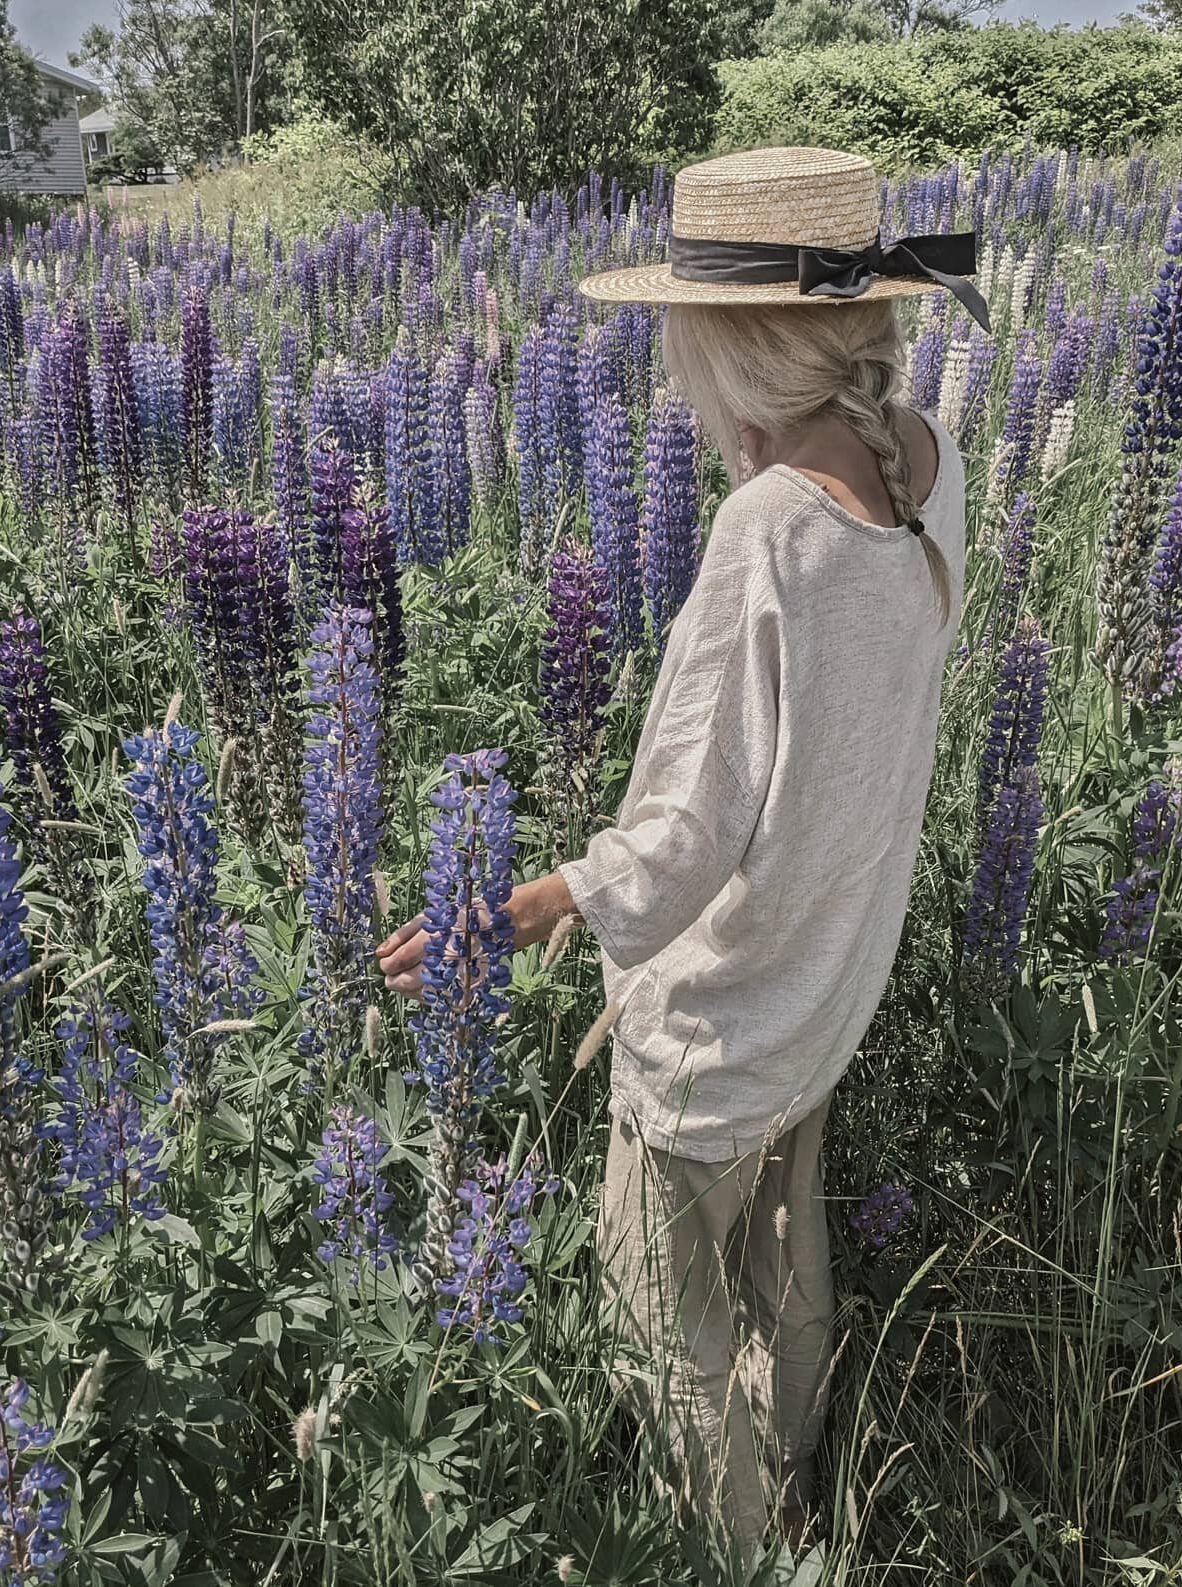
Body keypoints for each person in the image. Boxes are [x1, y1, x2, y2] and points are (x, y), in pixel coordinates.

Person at [376, 145, 983, 1563]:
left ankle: (728, 1543)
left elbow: (683, 836)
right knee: (790, 1254)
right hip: (827, 982)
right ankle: (798, 1465)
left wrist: (539, 904)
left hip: (717, 1021)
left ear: (744, 353)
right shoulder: (924, 464)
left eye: (687, 349)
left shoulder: (765, 532)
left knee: (663, 1310)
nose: (673, 379)